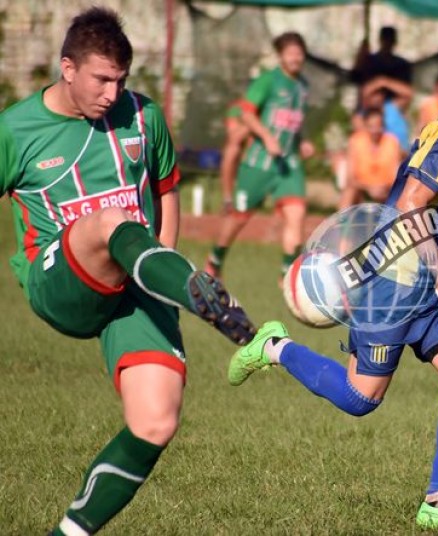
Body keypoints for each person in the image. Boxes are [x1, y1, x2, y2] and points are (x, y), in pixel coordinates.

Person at [228, 40, 438, 531]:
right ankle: (275, 347)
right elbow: (410, 203)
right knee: (360, 399)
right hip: (395, 279)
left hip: (433, 282)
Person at [0, 8, 255, 535]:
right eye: (101, 79)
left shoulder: (144, 116)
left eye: (121, 80)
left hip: (138, 282)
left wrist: (162, 269)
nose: (112, 93)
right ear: (67, 68)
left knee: (156, 421)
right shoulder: (14, 130)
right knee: (109, 220)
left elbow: (167, 191)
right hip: (59, 282)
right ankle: (190, 288)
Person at [205, 32, 315, 280]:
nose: (296, 58)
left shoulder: (303, 86)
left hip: (288, 164)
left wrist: (303, 141)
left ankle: (288, 276)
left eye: (299, 53)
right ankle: (215, 260)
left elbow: (296, 122)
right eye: (290, 53)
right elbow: (246, 113)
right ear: (280, 55)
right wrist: (267, 137)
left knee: (297, 213)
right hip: (258, 164)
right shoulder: (267, 80)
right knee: (238, 218)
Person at [339, 107, 401, 208]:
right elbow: (350, 179)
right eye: (371, 126)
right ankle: (343, 218)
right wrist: (369, 188)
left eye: (378, 126)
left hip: (386, 188)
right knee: (349, 192)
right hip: (362, 187)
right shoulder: (355, 141)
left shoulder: (392, 141)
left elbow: (396, 175)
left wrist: (383, 187)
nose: (375, 130)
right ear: (365, 126)